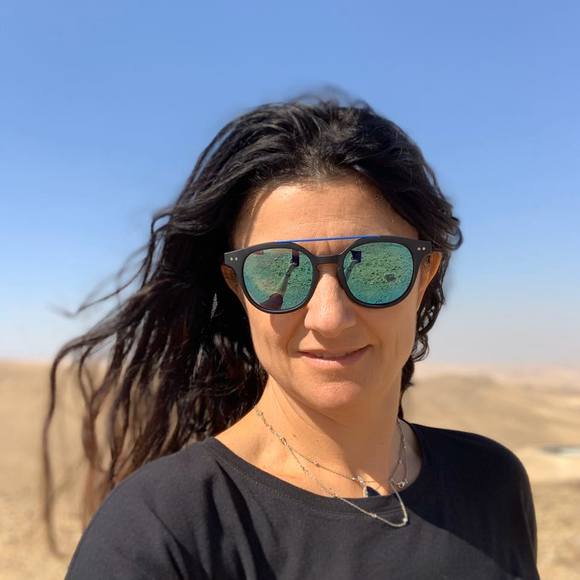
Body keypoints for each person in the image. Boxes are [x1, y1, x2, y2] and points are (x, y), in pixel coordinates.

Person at [42, 93, 539, 579]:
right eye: (278, 270)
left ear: (425, 273)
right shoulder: (160, 531)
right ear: (238, 287)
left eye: (374, 267)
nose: (329, 317)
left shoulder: (492, 482)